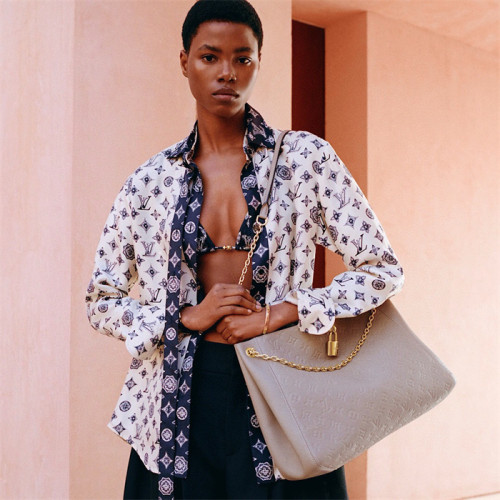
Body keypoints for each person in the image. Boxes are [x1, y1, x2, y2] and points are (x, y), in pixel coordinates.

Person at [85, 0, 404, 498]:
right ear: (185, 61)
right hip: (175, 400)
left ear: (258, 62)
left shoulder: (304, 159)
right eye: (210, 57)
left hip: (285, 389)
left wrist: (283, 312)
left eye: (243, 58)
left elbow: (381, 269)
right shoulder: (148, 182)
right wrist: (183, 317)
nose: (227, 73)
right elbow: (100, 300)